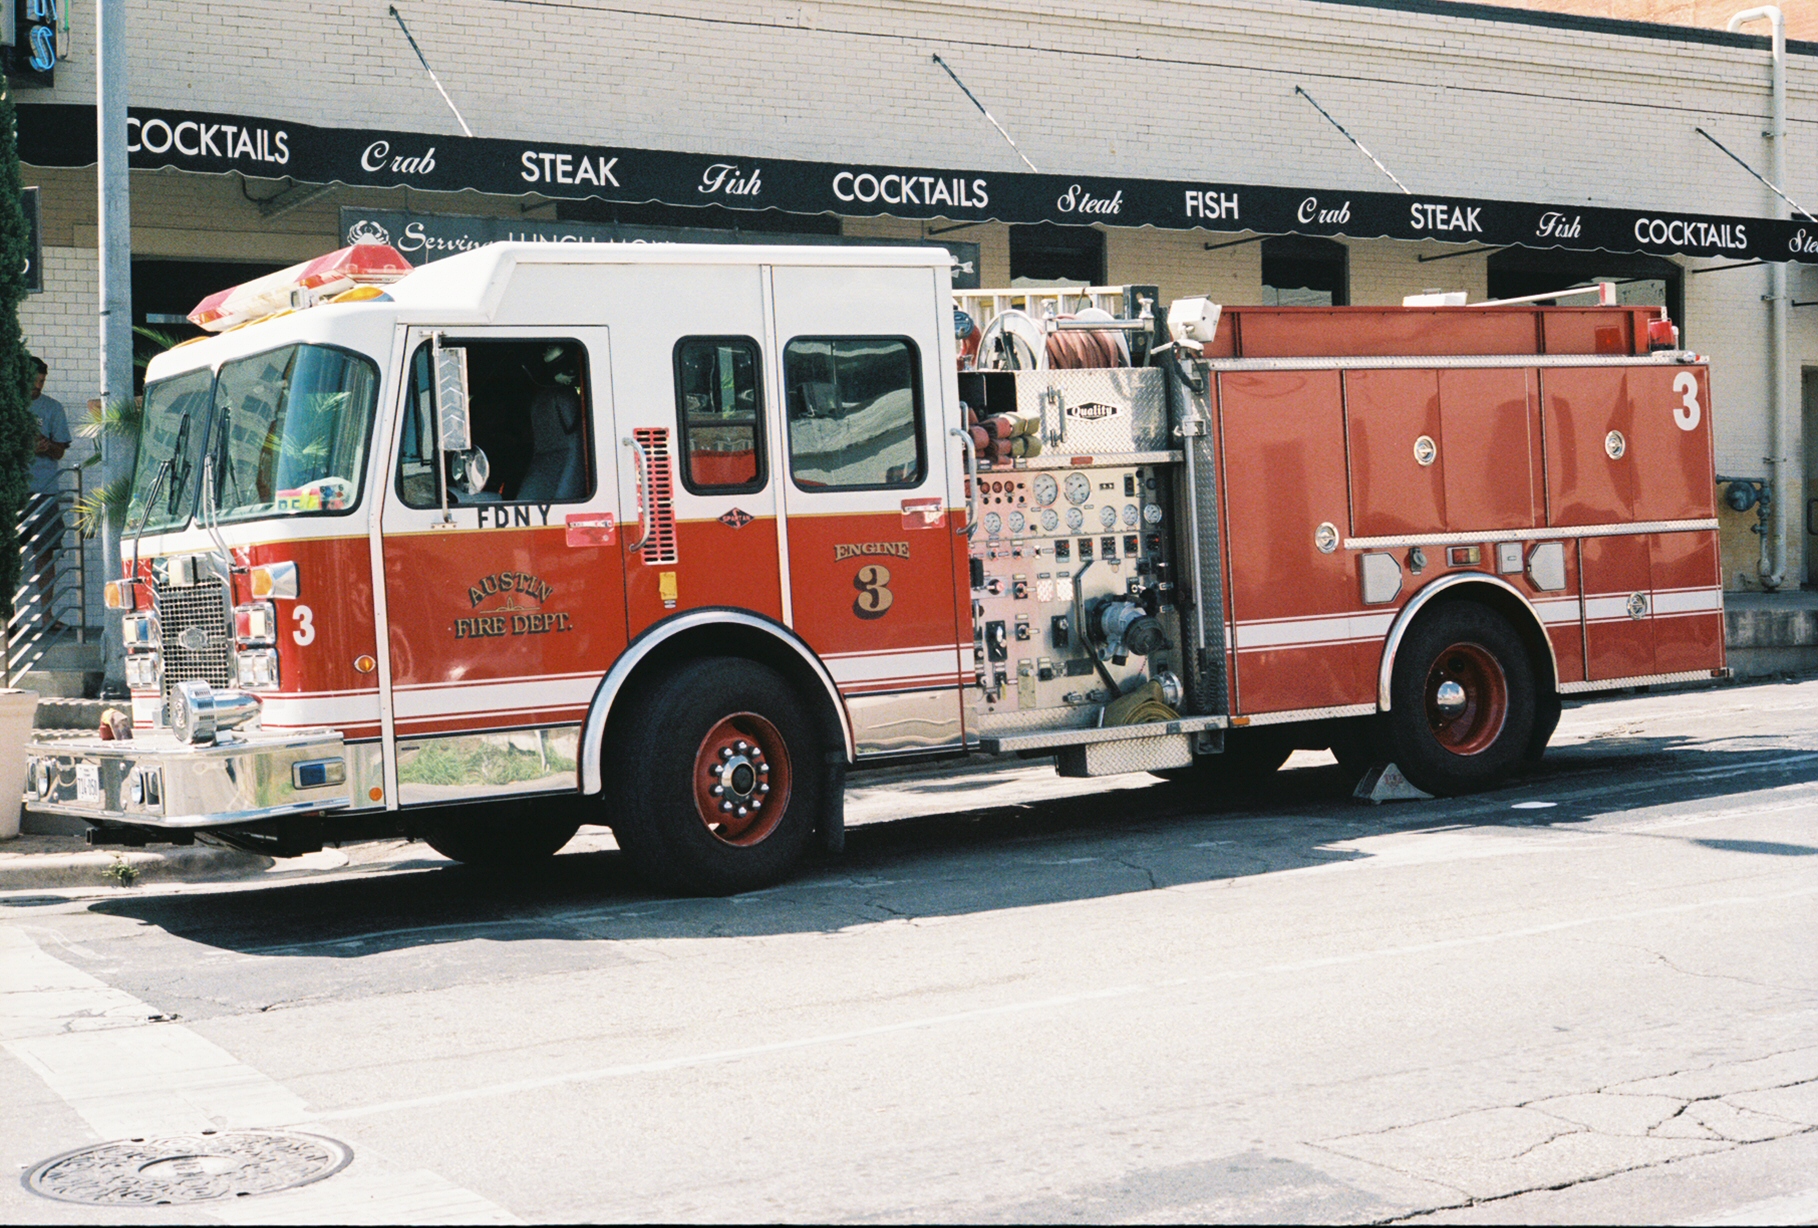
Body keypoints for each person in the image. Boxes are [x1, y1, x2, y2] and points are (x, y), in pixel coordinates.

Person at [24, 355, 70, 628]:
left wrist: (47, 446)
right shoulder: (8, 405)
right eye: (34, 380)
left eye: (42, 381)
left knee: (45, 552)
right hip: (12, 492)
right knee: (8, 555)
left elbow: (60, 450)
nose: (38, 385)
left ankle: (47, 616)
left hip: (44, 490)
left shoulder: (52, 408)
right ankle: (7, 621)